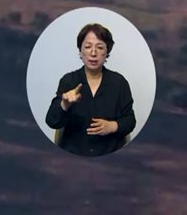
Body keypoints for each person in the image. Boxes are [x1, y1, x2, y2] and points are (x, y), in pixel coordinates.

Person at [45, 23, 136, 156]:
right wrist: (64, 104)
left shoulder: (119, 83)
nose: (93, 53)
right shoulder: (69, 80)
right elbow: (52, 121)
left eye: (99, 47)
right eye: (88, 47)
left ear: (107, 51)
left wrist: (113, 126)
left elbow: (130, 120)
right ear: (80, 51)